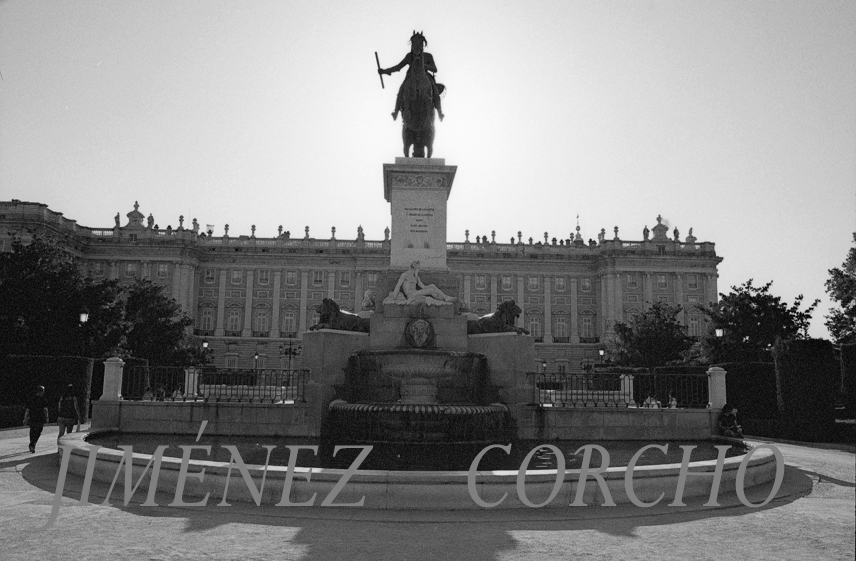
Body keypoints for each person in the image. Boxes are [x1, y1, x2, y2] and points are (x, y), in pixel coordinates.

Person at [378, 32, 445, 121]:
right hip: (410, 76)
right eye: (414, 43)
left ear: (422, 45)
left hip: (426, 76)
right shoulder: (409, 56)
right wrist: (385, 71)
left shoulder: (428, 56)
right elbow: (398, 67)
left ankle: (440, 112)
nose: (416, 46)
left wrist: (424, 66)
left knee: (434, 90)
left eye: (419, 43)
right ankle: (396, 112)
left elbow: (434, 69)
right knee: (402, 89)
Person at [389, 261, 456, 304]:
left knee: (432, 286)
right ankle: (445, 299)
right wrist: (394, 297)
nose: (419, 269)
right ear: (414, 267)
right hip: (411, 294)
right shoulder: (405, 275)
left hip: (415, 293)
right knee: (431, 290)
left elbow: (423, 287)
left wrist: (431, 286)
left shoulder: (416, 277)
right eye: (418, 268)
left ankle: (445, 298)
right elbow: (398, 286)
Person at [23, 386, 49, 453]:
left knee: (32, 431)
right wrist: (47, 417)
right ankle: (33, 444)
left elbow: (27, 410)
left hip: (32, 417)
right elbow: (45, 409)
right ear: (42, 391)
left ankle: (32, 443)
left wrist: (25, 418)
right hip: (40, 418)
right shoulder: (43, 399)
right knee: (39, 431)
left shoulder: (31, 399)